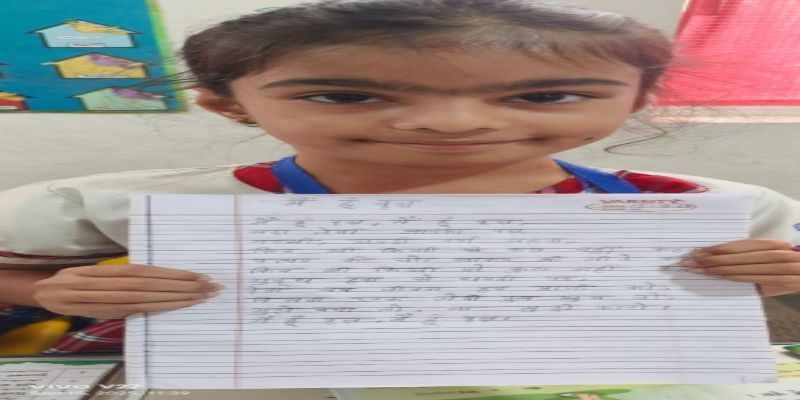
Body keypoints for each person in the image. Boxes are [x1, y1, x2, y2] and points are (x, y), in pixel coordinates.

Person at [0, 0, 798, 354]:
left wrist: (780, 277)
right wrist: (52, 290)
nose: (451, 125)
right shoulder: (139, 205)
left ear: (638, 99)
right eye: (346, 95)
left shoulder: (705, 208)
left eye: (546, 95)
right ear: (229, 104)